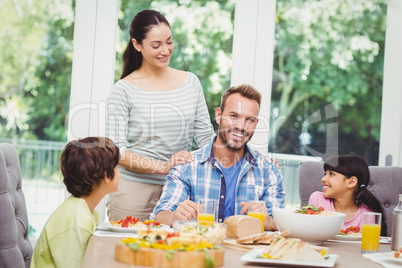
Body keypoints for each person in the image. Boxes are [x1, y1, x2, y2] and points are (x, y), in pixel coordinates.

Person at [106, 9, 214, 222]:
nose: (165, 50)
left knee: (175, 251)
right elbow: (117, 152)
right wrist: (164, 167)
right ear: (137, 45)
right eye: (156, 45)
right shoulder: (123, 90)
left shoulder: (190, 82)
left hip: (180, 190)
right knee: (128, 252)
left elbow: (206, 138)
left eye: (169, 42)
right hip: (132, 192)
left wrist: (254, 159)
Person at [151, 84, 285, 230]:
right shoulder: (186, 166)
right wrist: (173, 216)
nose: (241, 126)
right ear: (219, 115)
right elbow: (159, 217)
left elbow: (280, 224)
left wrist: (269, 222)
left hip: (246, 252)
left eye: (250, 120)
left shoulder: (268, 170)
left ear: (256, 123)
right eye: (234, 116)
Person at [30, 137, 120, 268]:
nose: (119, 174)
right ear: (106, 175)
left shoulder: (82, 210)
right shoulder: (76, 220)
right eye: (117, 168)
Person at [309, 154, 387, 235]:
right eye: (325, 174)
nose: (323, 179)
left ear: (351, 182)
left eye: (331, 174)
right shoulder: (317, 199)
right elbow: (310, 233)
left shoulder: (367, 215)